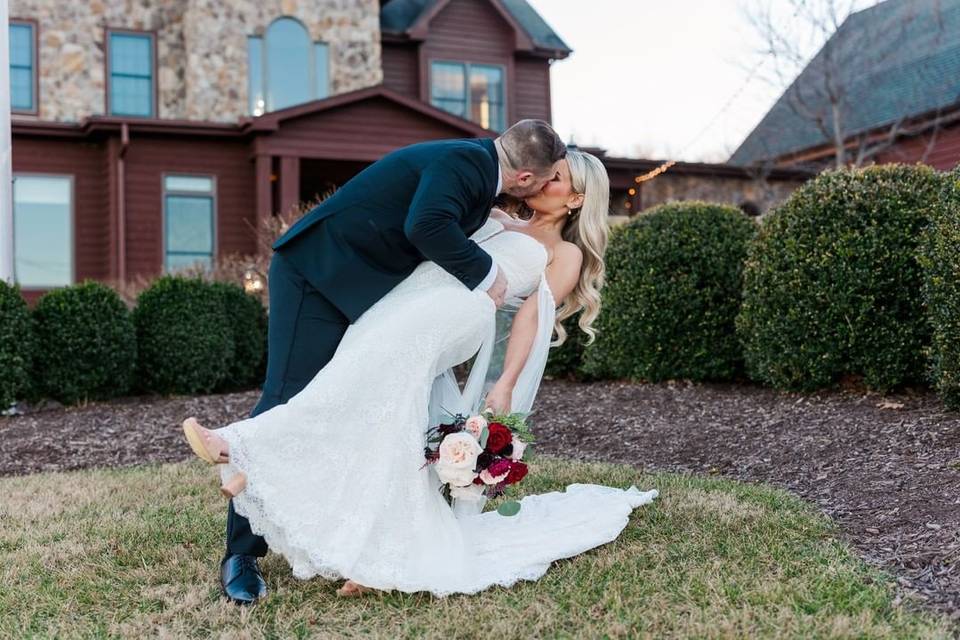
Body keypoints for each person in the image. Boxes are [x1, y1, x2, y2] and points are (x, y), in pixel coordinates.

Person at [182, 149, 658, 600]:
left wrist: (505, 381)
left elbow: (531, 321)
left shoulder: (564, 254)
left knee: (357, 385)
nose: (542, 179)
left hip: (448, 317)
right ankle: (364, 545)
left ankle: (241, 447)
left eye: (557, 178)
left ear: (576, 199)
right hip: (400, 305)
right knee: (374, 409)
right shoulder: (494, 215)